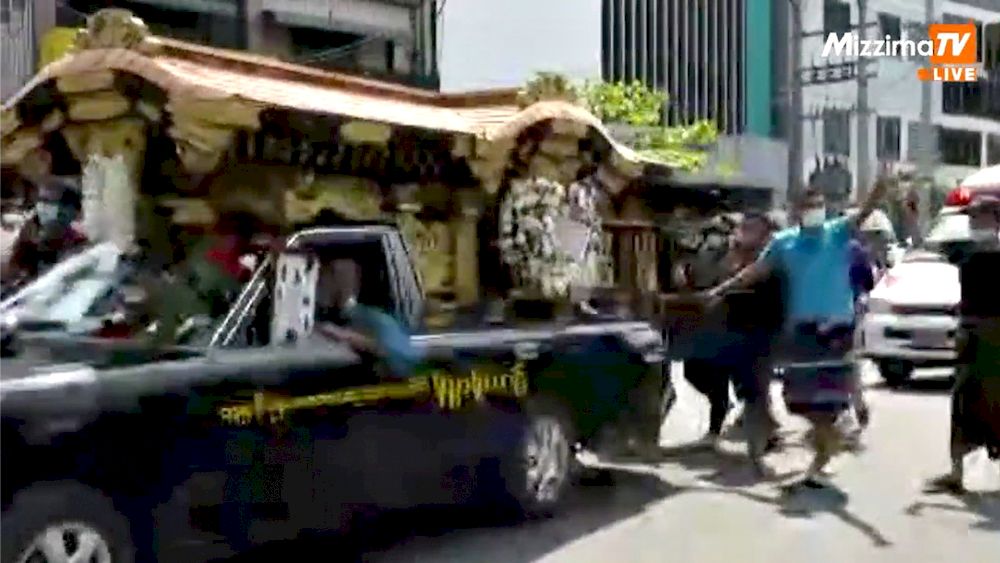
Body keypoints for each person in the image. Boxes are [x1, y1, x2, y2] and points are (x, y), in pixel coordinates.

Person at [706, 179, 892, 487]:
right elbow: (755, 271)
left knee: (828, 401)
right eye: (807, 207)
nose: (813, 211)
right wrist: (720, 289)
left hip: (836, 331)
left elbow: (864, 211)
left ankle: (821, 458)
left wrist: (880, 189)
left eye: (817, 205)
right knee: (799, 400)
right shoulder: (784, 243)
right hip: (802, 332)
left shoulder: (837, 232)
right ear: (796, 212)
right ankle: (830, 442)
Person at [924, 196, 1000, 494]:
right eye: (971, 218)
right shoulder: (965, 250)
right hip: (969, 332)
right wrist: (913, 212)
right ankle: (956, 474)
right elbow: (927, 244)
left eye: (979, 217)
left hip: (996, 335)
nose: (973, 223)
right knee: (963, 400)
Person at [314, 258, 422, 378]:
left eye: (328, 275)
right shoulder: (325, 315)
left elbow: (396, 353)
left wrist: (344, 336)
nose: (321, 283)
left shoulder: (376, 320)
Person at [3, 178, 87, 287]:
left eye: (49, 201)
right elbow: (15, 275)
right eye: (41, 200)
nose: (42, 206)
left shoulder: (78, 245)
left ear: (69, 210)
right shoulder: (28, 235)